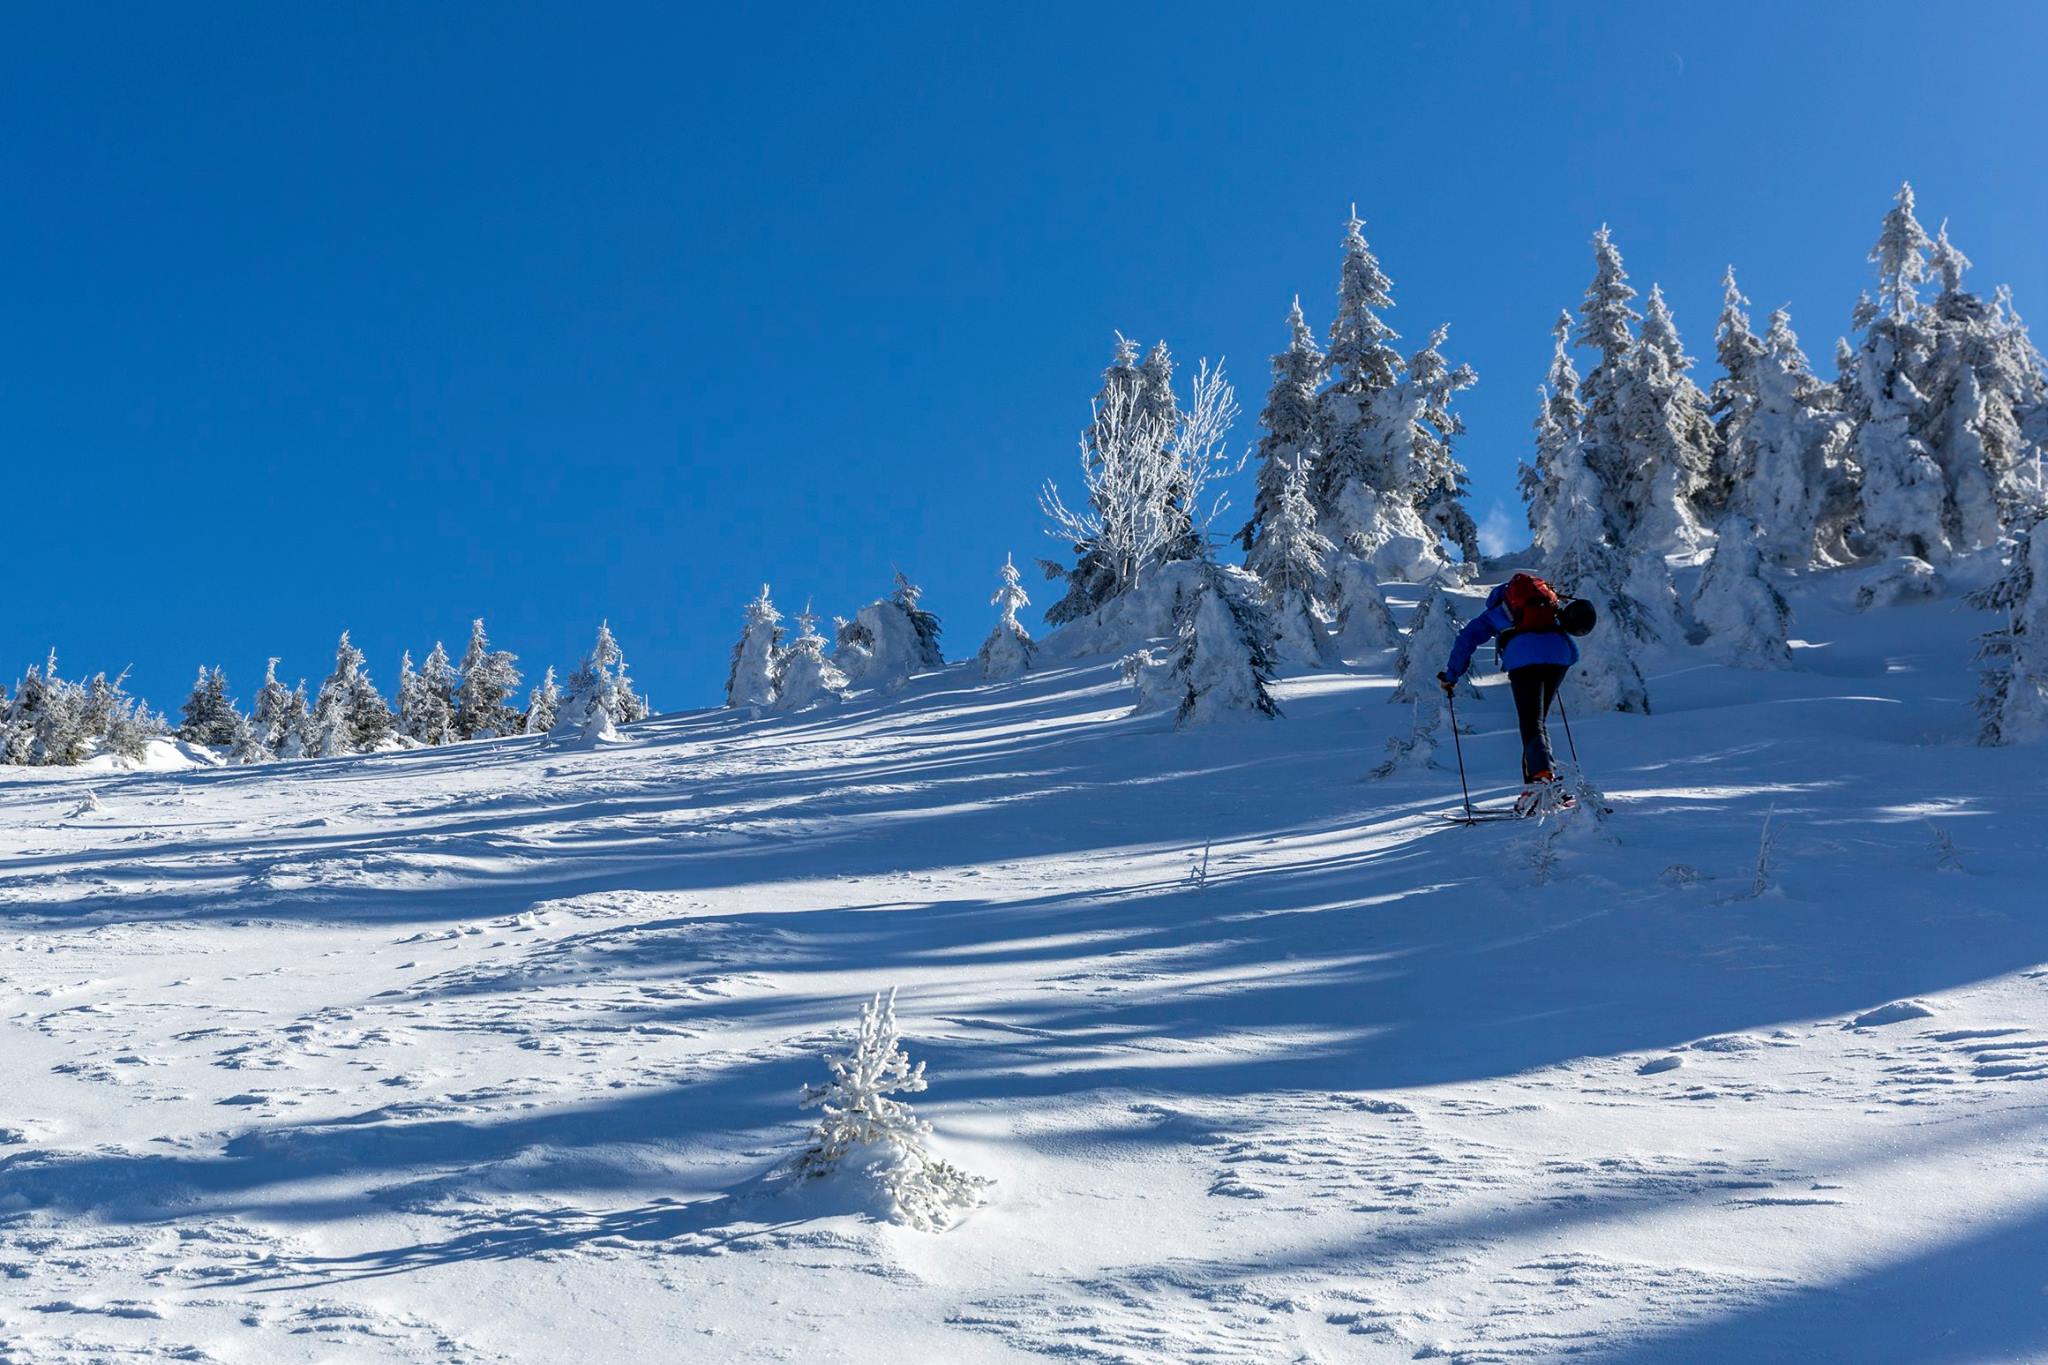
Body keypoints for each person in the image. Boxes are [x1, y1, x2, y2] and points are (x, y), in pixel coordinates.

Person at [1438, 573, 1597, 813]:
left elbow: (1467, 638)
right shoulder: (1547, 600)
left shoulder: (1499, 610)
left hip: (1523, 658)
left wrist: (1451, 676)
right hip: (1560, 655)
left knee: (1531, 722)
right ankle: (1545, 783)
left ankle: (1539, 785)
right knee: (1537, 722)